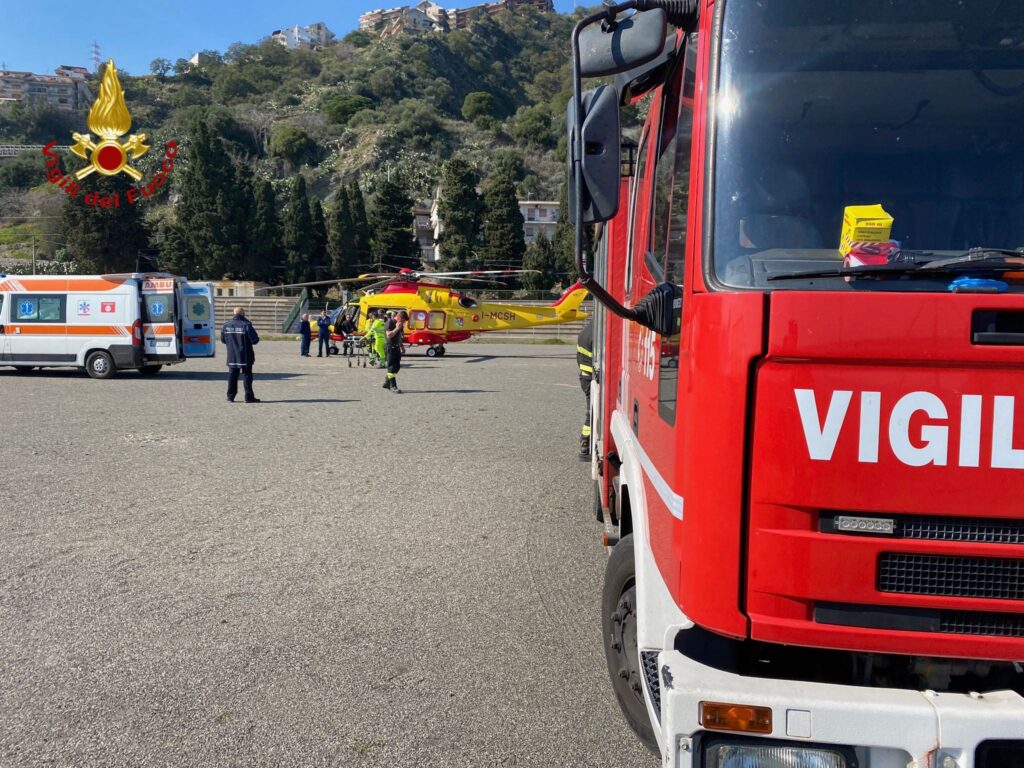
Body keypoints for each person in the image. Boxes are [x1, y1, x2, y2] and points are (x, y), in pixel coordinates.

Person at [221, 306, 260, 403]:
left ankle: (230, 397)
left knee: (232, 376)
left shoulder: (226, 325)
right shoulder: (246, 325)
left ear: (234, 313)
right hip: (245, 355)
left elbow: (223, 340)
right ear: (243, 313)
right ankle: (249, 397)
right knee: (247, 376)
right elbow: (255, 340)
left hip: (232, 355)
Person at [577, 320, 593, 459]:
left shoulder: (584, 331)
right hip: (592, 378)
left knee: (591, 410)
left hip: (584, 376)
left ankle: (585, 442)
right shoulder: (597, 333)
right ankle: (585, 443)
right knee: (592, 412)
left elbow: (578, 357)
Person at [383, 310, 407, 393]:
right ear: (399, 317)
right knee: (391, 367)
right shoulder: (390, 322)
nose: (403, 323)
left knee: (397, 367)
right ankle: (393, 386)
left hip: (396, 348)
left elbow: (399, 336)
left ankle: (387, 382)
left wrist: (401, 346)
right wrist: (397, 328)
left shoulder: (399, 324)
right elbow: (389, 335)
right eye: (403, 320)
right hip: (390, 347)